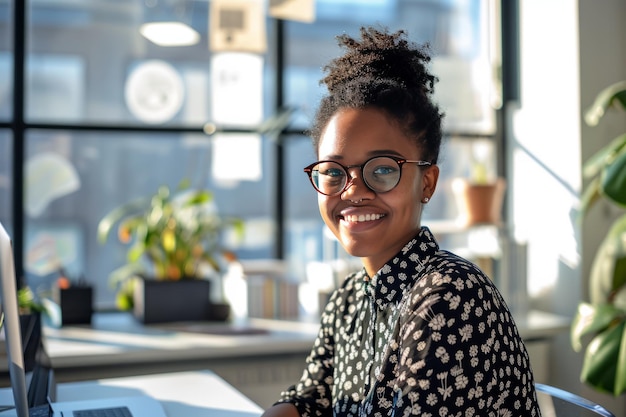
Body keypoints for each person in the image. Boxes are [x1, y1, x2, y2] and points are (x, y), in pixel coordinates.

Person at [262, 26, 541, 417]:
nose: (352, 190)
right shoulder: (349, 298)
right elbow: (310, 400)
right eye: (333, 172)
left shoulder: (448, 299)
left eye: (381, 170)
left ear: (426, 182)